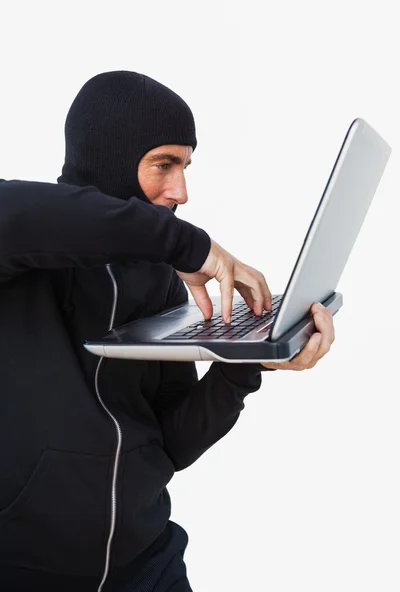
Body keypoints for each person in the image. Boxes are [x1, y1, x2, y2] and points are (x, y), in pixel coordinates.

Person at [0, 71, 335, 592]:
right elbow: (28, 210)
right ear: (109, 160)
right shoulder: (18, 243)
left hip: (149, 566)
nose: (180, 191)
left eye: (185, 165)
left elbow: (170, 445)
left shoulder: (159, 277)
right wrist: (190, 247)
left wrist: (245, 362)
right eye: (164, 164)